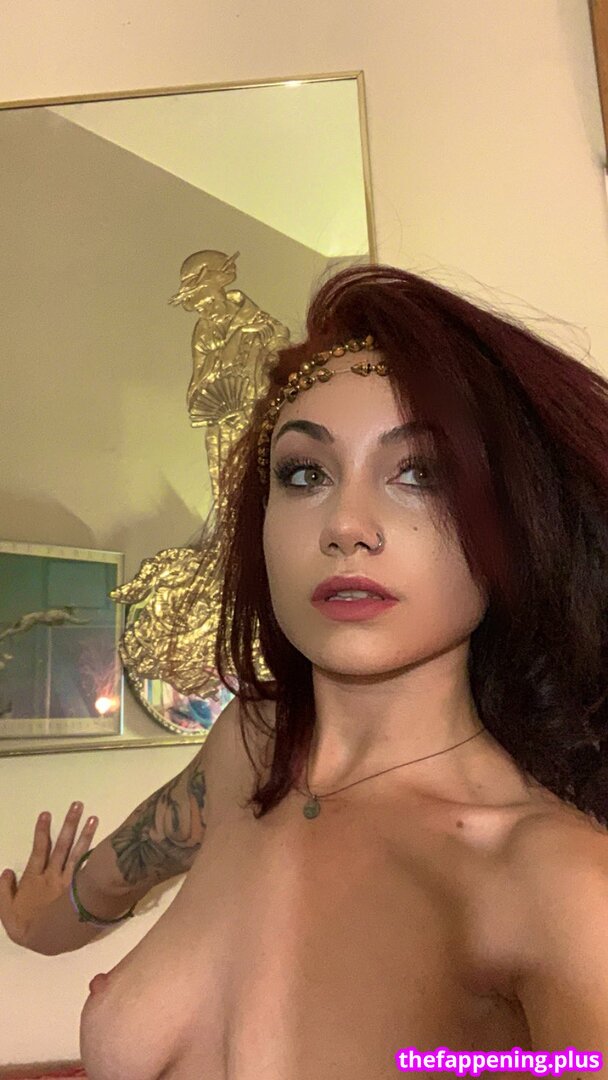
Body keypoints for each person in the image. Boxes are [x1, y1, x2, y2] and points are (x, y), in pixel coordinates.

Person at [2, 263, 608, 1079]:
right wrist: (33, 919)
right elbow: (101, 888)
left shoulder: (554, 886)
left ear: (510, 523)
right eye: (304, 473)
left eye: (420, 472)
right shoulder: (249, 746)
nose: (346, 524)